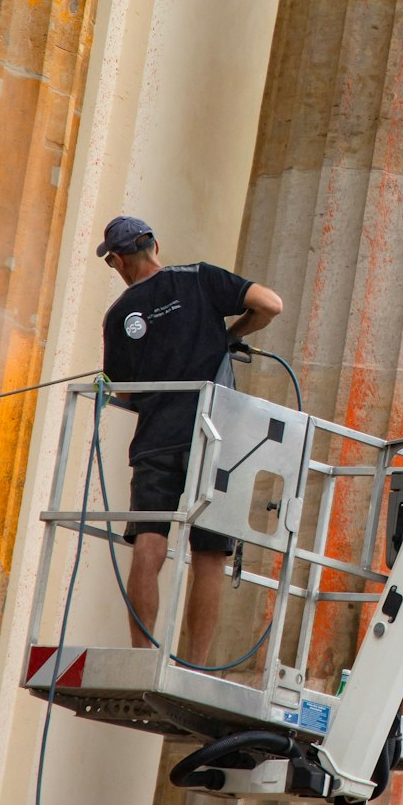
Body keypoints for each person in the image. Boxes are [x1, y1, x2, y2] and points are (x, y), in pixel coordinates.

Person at [97, 214, 283, 664]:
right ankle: (196, 662)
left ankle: (142, 656)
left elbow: (124, 389)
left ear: (118, 261)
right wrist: (228, 335)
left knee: (149, 540)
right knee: (209, 554)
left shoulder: (120, 314)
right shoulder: (199, 278)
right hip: (215, 439)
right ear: (155, 245)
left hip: (157, 439)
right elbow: (270, 304)